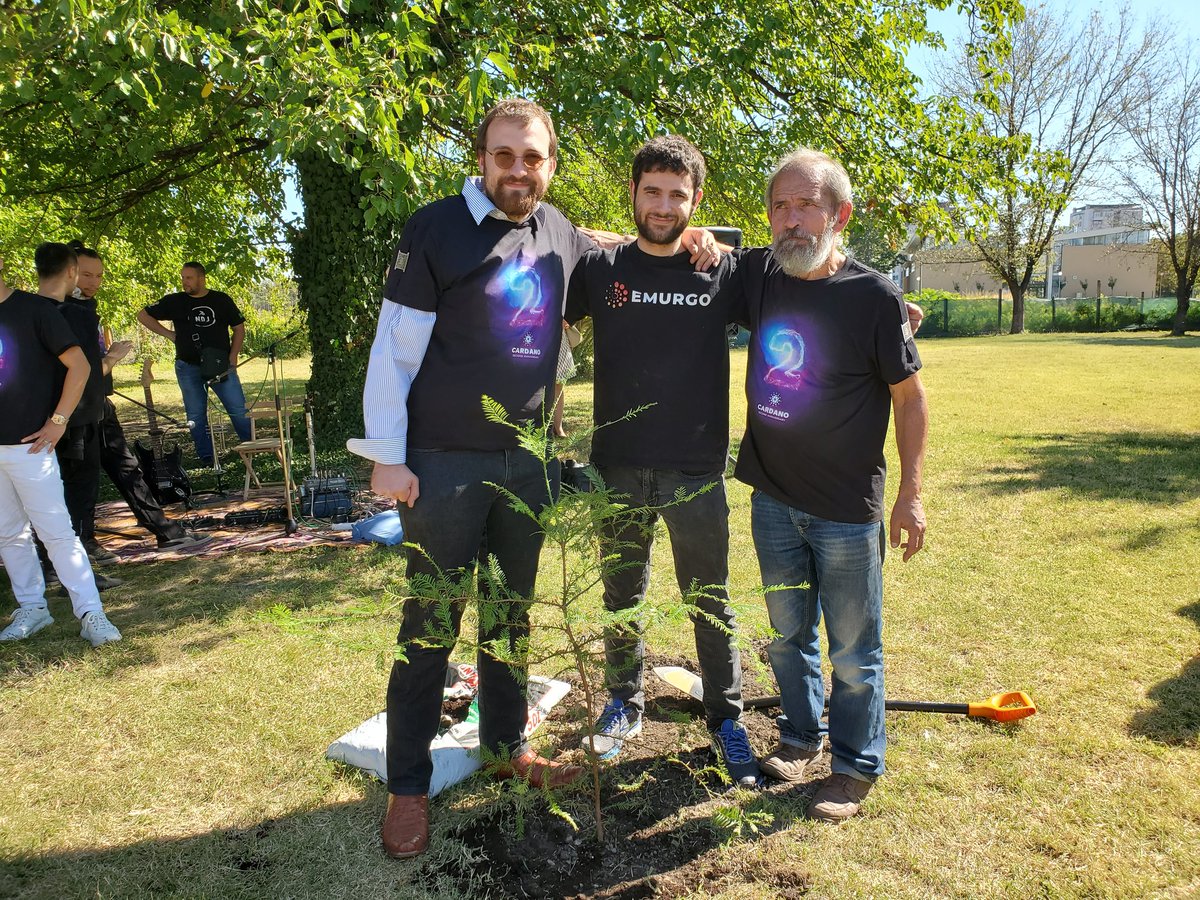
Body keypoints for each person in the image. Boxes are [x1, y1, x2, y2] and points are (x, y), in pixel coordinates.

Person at [347, 98, 722, 860]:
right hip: (443, 462)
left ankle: (506, 743)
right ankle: (408, 787)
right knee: (431, 624)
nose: (519, 170)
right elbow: (392, 349)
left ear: (550, 164)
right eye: (505, 155)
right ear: (482, 156)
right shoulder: (434, 229)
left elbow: (626, 246)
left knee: (511, 614)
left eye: (534, 157)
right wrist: (388, 456)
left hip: (527, 460)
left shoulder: (557, 232)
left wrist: (693, 235)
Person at [733, 148, 928, 821]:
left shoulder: (874, 297)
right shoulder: (760, 274)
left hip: (847, 512)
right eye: (779, 206)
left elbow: (910, 399)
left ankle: (854, 766)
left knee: (853, 650)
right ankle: (797, 737)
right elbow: (675, 252)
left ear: (838, 214)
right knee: (788, 637)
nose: (791, 219)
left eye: (806, 204)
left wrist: (910, 494)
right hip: (773, 501)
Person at [565, 136, 759, 786]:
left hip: (695, 470)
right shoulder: (600, 270)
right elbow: (545, 246)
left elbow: (807, 277)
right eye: (653, 190)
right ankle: (624, 702)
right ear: (634, 193)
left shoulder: (720, 271)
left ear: (695, 200)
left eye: (678, 194)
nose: (664, 204)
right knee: (622, 594)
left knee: (710, 600)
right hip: (617, 465)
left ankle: (727, 716)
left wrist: (882, 305)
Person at [0, 243, 122, 647]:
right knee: (9, 534)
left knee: (58, 533)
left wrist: (57, 422)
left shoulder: (32, 309)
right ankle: (33, 608)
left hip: (29, 447)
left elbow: (81, 366)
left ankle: (91, 613)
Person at [71, 247, 211, 558]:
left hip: (101, 403)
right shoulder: (60, 311)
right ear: (68, 272)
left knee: (128, 467)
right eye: (86, 274)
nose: (94, 282)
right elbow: (78, 370)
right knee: (84, 479)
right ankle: (83, 542)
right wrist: (111, 357)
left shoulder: (87, 308)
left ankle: (164, 530)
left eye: (99, 275)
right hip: (76, 411)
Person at [136, 262, 252, 465]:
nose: (184, 282)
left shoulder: (221, 299)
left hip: (220, 366)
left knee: (238, 409)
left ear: (202, 278)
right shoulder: (174, 301)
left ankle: (252, 448)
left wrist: (233, 356)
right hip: (187, 366)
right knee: (195, 415)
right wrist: (170, 334)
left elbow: (239, 328)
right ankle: (206, 456)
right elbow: (143, 315)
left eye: (188, 278)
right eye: (182, 277)